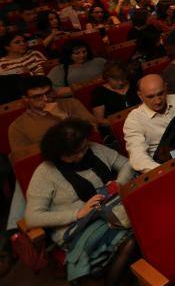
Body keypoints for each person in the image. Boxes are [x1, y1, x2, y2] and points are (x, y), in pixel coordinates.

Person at [25, 119, 136, 284]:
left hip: (109, 210)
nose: (82, 154)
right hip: (76, 226)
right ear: (60, 154)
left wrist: (118, 183)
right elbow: (32, 217)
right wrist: (77, 213)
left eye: (84, 148)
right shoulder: (45, 173)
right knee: (131, 240)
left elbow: (126, 164)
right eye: (75, 153)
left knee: (142, 226)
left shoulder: (92, 149)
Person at [123, 74, 175, 173]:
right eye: (150, 97)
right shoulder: (134, 120)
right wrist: (163, 171)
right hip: (163, 165)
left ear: (166, 88)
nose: (158, 101)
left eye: (160, 94)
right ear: (140, 96)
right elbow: (138, 157)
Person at [10, 75, 96, 153]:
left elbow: (94, 129)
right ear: (25, 99)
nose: (46, 99)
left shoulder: (71, 103)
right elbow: (24, 158)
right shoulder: (17, 126)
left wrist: (63, 115)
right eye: (37, 96)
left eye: (48, 93)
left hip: (87, 150)